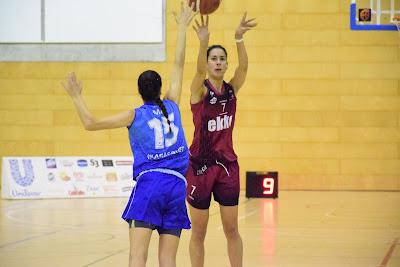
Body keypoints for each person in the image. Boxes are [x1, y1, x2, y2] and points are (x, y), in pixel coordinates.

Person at [61, 1, 197, 266]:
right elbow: (179, 64)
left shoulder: (134, 115)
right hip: (178, 186)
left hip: (151, 185)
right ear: (159, 89)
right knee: (168, 259)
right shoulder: (172, 104)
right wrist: (181, 27)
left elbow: (90, 123)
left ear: (139, 91)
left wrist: (76, 96)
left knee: (137, 256)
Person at [186, 13, 257, 267]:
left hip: (227, 166)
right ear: (208, 63)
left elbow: (245, 68)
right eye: (213, 59)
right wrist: (203, 43)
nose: (218, 63)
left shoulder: (231, 89)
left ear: (226, 64)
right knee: (199, 232)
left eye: (221, 59)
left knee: (231, 230)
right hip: (199, 168)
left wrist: (238, 38)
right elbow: (197, 69)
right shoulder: (199, 90)